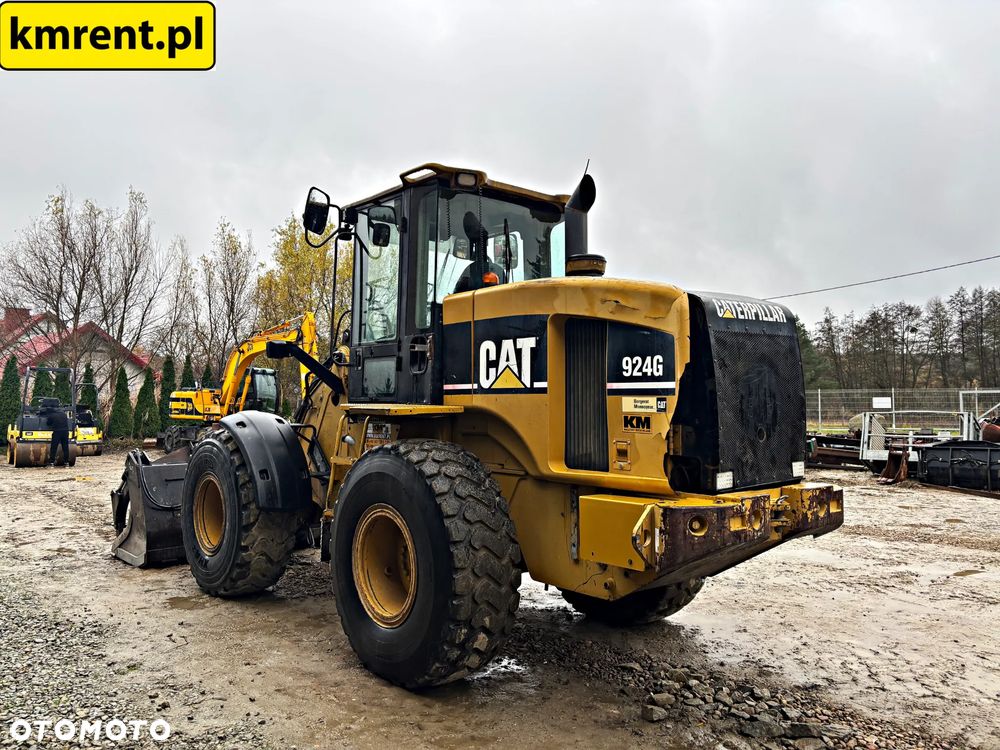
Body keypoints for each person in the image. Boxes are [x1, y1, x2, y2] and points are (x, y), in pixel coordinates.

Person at [41, 397, 70, 467]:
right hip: (66, 432)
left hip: (57, 432)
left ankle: (51, 462)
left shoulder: (51, 415)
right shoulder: (64, 414)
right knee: (65, 447)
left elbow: (48, 423)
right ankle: (66, 462)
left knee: (54, 447)